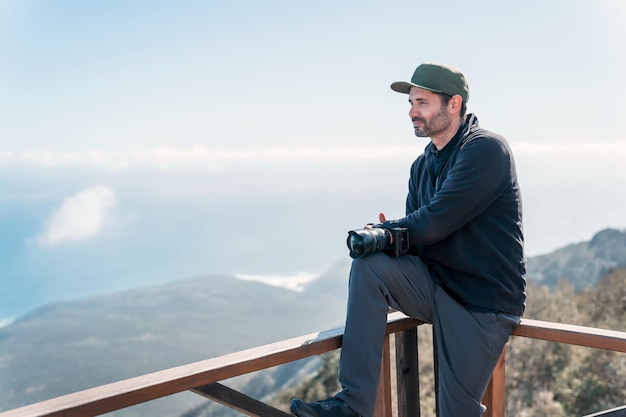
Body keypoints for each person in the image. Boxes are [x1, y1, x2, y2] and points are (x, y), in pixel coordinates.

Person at [290, 62, 526, 417]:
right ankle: (351, 406)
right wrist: (393, 236)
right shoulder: (422, 165)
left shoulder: (486, 150)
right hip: (439, 285)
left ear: (454, 104)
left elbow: (433, 224)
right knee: (369, 267)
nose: (413, 112)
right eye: (411, 103)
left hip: (482, 302)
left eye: (423, 103)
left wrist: (392, 232)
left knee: (455, 411)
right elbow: (419, 237)